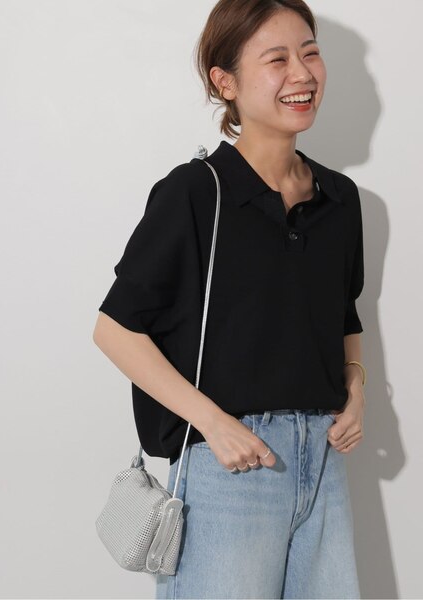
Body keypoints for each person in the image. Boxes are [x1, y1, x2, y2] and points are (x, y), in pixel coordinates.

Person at [93, 0, 366, 598]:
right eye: (277, 60)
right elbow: (115, 328)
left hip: (323, 462)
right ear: (226, 82)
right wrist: (213, 424)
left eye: (310, 53)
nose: (302, 73)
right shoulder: (197, 193)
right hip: (228, 470)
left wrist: (357, 385)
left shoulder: (340, 199)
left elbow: (343, 313)